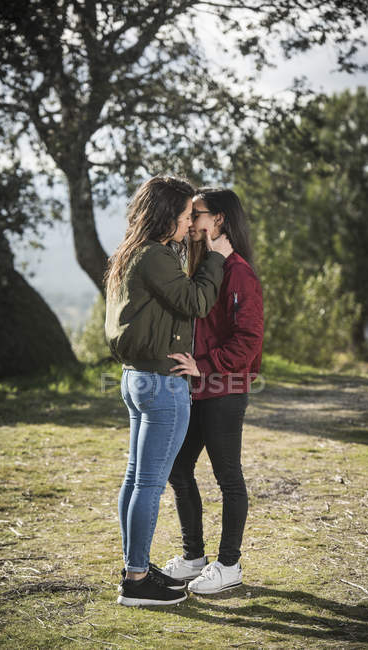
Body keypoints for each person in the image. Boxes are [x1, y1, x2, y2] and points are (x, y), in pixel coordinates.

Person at [104, 176, 233, 607]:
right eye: (182, 216)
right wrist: (215, 258)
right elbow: (195, 302)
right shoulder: (155, 257)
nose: (186, 224)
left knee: (135, 478)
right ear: (165, 216)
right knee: (149, 484)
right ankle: (138, 580)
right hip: (160, 383)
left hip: (136, 377)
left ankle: (133, 567)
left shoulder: (131, 253)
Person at [162, 188, 264, 594]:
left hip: (225, 388)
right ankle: (193, 557)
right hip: (199, 389)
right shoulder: (208, 266)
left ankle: (229, 565)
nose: (190, 222)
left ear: (218, 219)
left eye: (197, 214)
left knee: (228, 477)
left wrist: (204, 366)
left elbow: (249, 340)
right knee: (178, 467)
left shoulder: (239, 272)